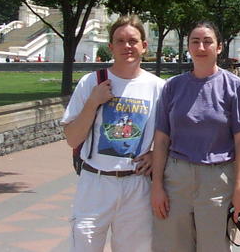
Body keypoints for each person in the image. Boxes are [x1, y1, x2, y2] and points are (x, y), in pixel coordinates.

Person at [151, 20, 240, 252]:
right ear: (188, 46)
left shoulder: (235, 87)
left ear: (219, 47)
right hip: (176, 179)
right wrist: (157, 186)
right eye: (195, 41)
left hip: (216, 182)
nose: (201, 47)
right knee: (171, 246)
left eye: (207, 42)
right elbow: (161, 141)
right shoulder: (172, 87)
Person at [61, 14, 165, 252]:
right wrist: (93, 102)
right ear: (110, 47)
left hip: (136, 184)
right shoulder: (92, 83)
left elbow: (168, 136)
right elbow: (72, 138)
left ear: (144, 46)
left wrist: (154, 155)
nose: (126, 46)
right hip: (94, 183)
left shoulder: (158, 88)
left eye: (132, 40)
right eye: (120, 41)